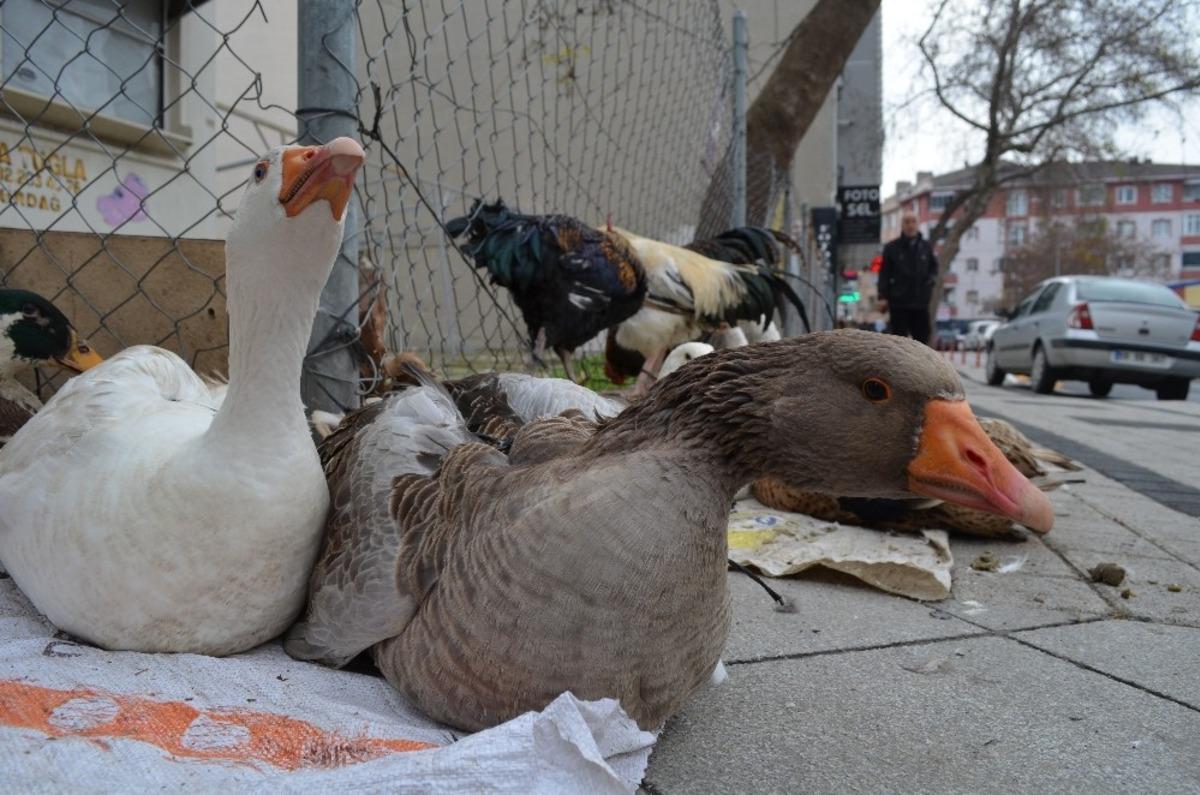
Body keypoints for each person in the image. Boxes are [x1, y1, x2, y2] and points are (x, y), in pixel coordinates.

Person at [878, 213, 938, 345]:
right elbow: (884, 274)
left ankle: (922, 366)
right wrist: (882, 297)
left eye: (913, 222)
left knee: (923, 342)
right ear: (902, 225)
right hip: (899, 304)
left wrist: (931, 280)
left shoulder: (926, 247)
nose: (910, 225)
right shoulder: (891, 248)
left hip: (921, 303)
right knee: (899, 344)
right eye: (906, 222)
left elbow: (934, 268)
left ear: (918, 224)